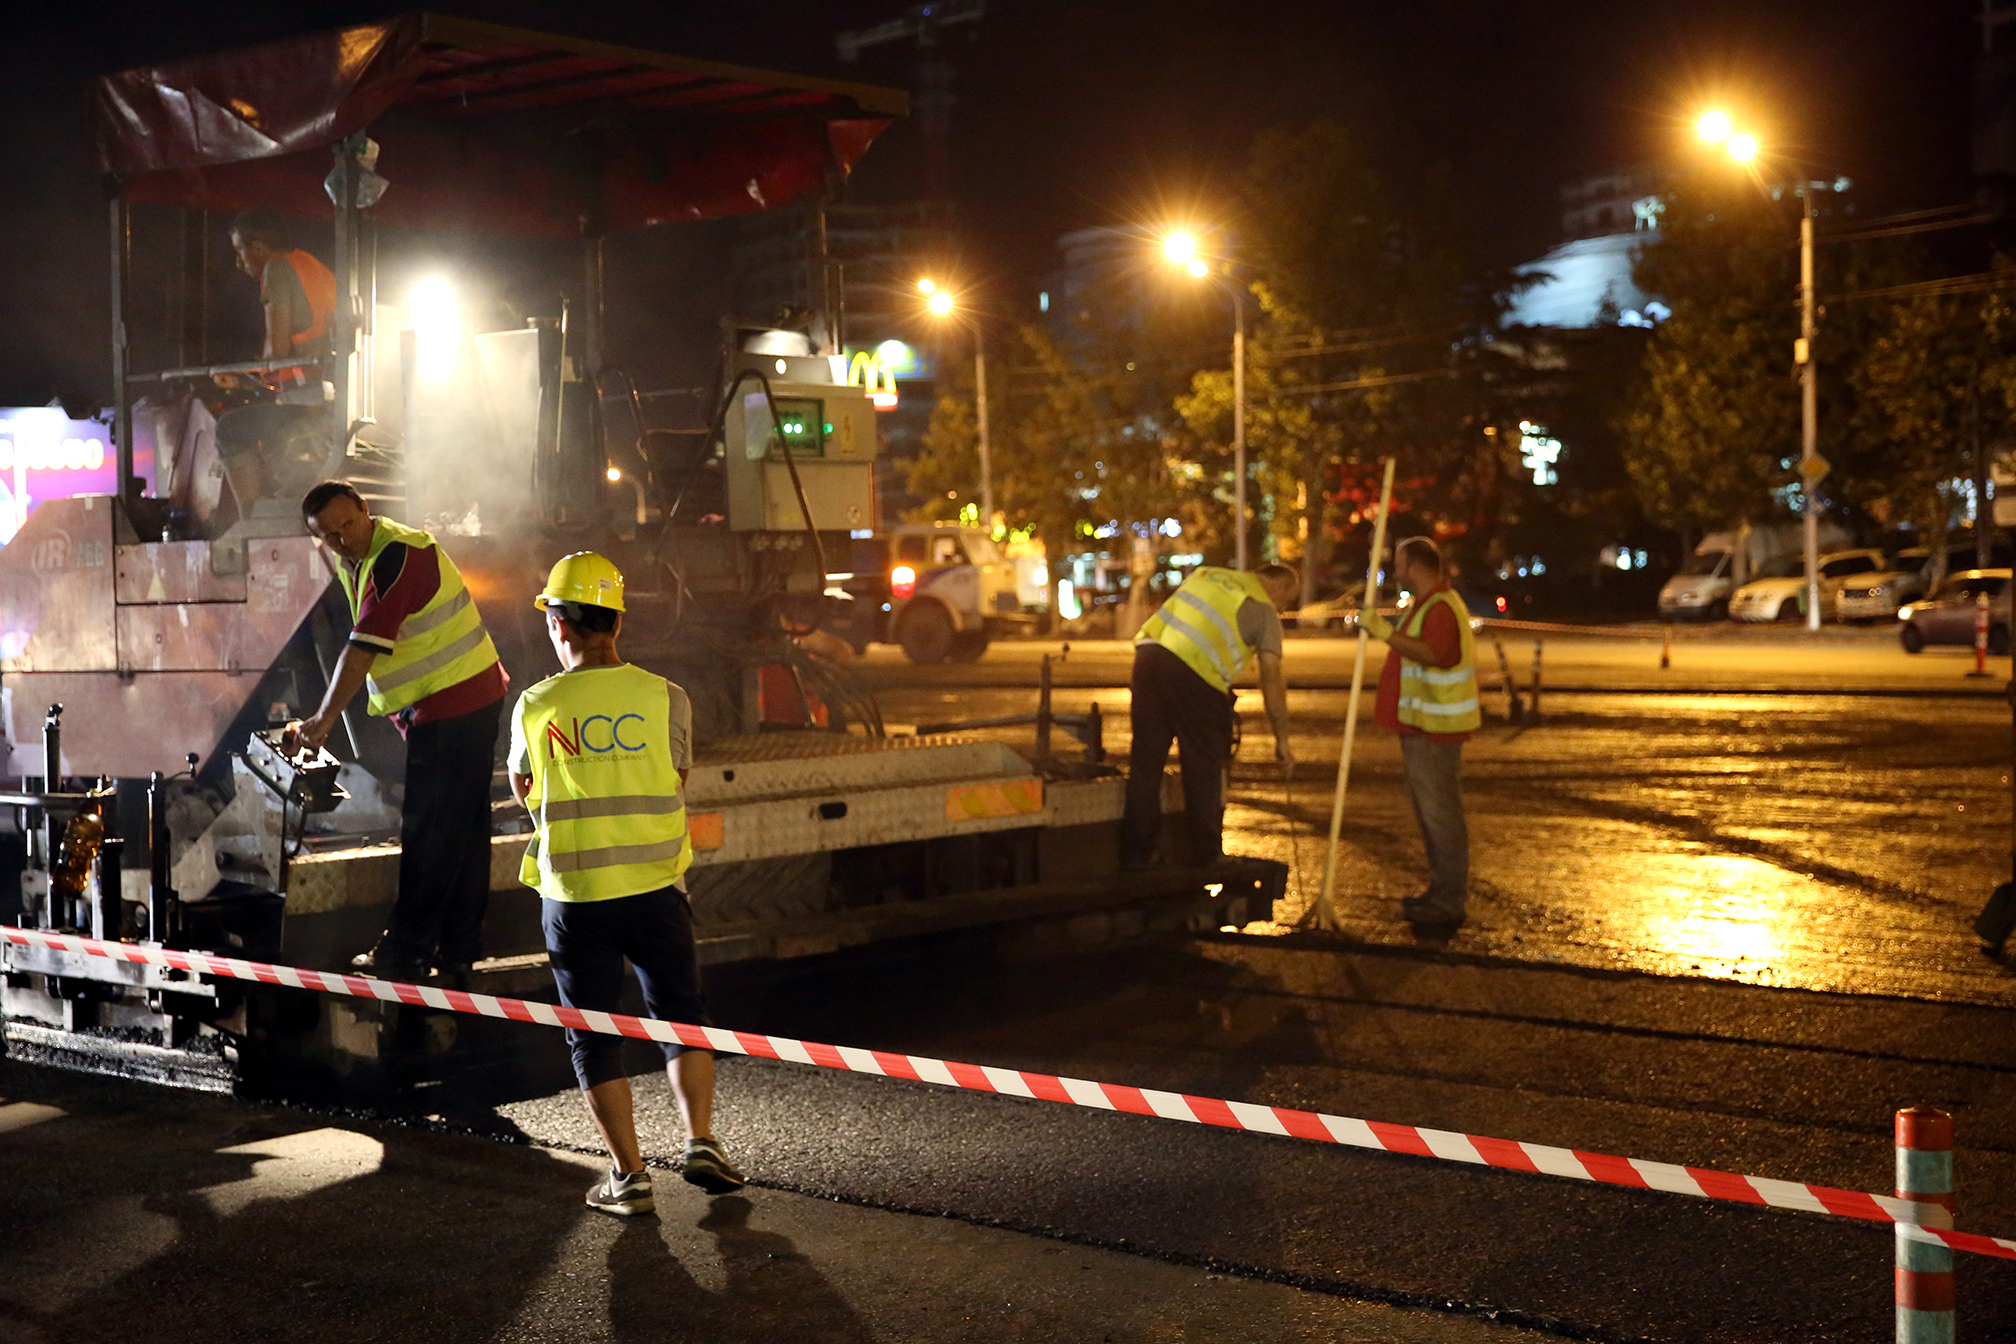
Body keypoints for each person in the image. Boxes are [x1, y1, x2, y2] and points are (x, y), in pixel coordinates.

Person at [508, 551, 744, 1215]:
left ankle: (630, 1177)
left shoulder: (536, 704)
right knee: (682, 1018)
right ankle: (701, 1141)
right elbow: (677, 780)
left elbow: (523, 787)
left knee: (592, 1035)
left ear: (559, 626)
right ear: (618, 622)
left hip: (576, 896)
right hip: (656, 890)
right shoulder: (667, 697)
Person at [288, 480, 507, 974]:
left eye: (348, 524)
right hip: (464, 697)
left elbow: (361, 647)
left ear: (366, 510)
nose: (344, 540)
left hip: (452, 703)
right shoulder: (366, 557)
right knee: (463, 831)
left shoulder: (396, 557)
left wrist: (321, 722)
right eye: (330, 536)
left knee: (429, 830)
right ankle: (460, 945)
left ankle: (406, 951)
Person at [1122, 563, 1300, 869]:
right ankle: (1205, 856)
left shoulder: (1206, 574)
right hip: (1197, 676)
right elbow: (1271, 676)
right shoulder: (1263, 610)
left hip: (1149, 657)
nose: (1283, 609)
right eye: (1287, 601)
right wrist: (1282, 738)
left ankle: (1138, 854)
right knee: (1203, 767)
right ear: (1280, 586)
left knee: (1145, 765)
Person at [1361, 536, 1481, 930]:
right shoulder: (1429, 605)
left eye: (1398, 565)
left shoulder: (1440, 607)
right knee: (1431, 815)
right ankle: (1440, 891)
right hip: (1423, 725)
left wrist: (1382, 631)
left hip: (1435, 729)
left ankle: (1448, 900)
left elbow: (1434, 654)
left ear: (1414, 566)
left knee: (1440, 814)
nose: (1395, 572)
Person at [216, 206, 337, 504]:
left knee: (228, 430)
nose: (238, 261)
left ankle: (251, 522)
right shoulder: (311, 265)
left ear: (258, 247)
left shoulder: (277, 269)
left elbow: (278, 351)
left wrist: (255, 371)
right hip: (329, 391)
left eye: (240, 251)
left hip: (306, 401)